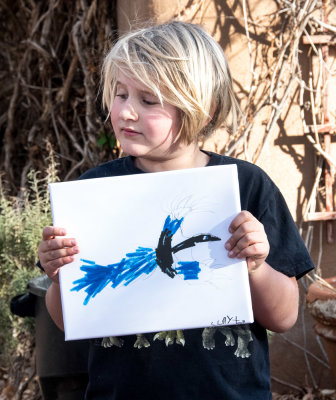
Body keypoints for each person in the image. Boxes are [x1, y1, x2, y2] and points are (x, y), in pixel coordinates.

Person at [38, 20, 314, 400]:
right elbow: (68, 320)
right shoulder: (94, 191)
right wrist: (59, 276)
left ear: (204, 107)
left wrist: (255, 266)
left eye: (148, 100)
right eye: (120, 94)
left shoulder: (247, 186)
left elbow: (284, 317)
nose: (126, 112)